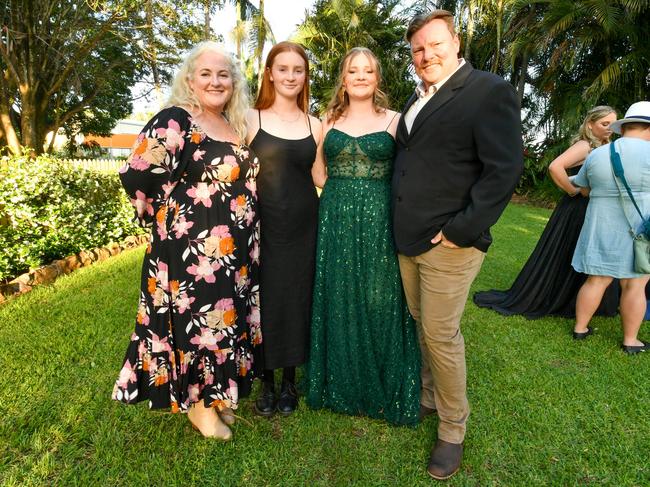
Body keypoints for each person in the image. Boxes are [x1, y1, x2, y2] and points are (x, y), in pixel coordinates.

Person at [392, 10, 523, 480]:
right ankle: (429, 397)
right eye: (418, 50)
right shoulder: (417, 96)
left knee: (440, 334)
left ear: (456, 42)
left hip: (450, 241)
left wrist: (461, 229)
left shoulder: (488, 91)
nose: (426, 55)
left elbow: (503, 170)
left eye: (435, 45)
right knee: (420, 323)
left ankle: (452, 429)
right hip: (408, 237)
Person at [112, 42, 262, 440]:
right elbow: (137, 170)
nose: (216, 81)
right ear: (190, 79)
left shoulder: (230, 124)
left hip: (233, 252)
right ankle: (198, 407)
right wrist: (153, 207)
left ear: (234, 83)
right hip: (193, 252)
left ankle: (212, 398)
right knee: (199, 325)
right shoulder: (178, 118)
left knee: (223, 321)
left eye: (224, 74)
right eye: (206, 74)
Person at [305, 47, 421, 426]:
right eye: (353, 71)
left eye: (367, 71)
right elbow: (317, 171)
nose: (359, 76)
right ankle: (339, 378)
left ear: (377, 79)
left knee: (382, 294)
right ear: (343, 78)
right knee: (339, 291)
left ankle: (384, 376)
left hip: (380, 218)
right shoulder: (327, 120)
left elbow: (409, 171)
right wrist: (342, 196)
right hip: (335, 216)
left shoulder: (395, 120)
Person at [473, 106, 619, 319]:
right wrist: (573, 191)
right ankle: (561, 298)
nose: (609, 129)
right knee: (569, 252)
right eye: (604, 124)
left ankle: (581, 300)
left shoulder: (607, 146)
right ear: (590, 124)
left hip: (595, 208)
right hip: (578, 208)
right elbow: (555, 166)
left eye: (612, 124)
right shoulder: (585, 145)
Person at [246, 42, 322, 417]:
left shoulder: (317, 124)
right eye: (283, 68)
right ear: (270, 73)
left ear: (305, 76)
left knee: (296, 298)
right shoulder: (249, 119)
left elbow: (322, 176)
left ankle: (290, 380)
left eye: (298, 69)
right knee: (265, 299)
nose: (291, 76)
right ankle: (265, 380)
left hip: (306, 226)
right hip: (263, 227)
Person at [571, 101, 650, 353]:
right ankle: (630, 341)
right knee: (635, 284)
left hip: (600, 226)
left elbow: (582, 186)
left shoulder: (597, 153)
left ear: (625, 126)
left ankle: (580, 328)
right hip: (641, 231)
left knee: (596, 280)